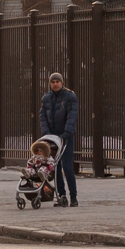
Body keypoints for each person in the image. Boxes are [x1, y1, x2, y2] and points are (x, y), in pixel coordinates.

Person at [39, 72, 79, 207]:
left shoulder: (70, 97)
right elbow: (43, 117)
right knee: (55, 168)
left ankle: (73, 196)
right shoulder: (46, 98)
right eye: (53, 82)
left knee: (68, 168)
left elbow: (72, 116)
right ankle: (61, 196)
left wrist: (66, 133)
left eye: (57, 81)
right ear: (50, 84)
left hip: (65, 137)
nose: (55, 84)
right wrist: (47, 134)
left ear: (62, 82)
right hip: (52, 139)